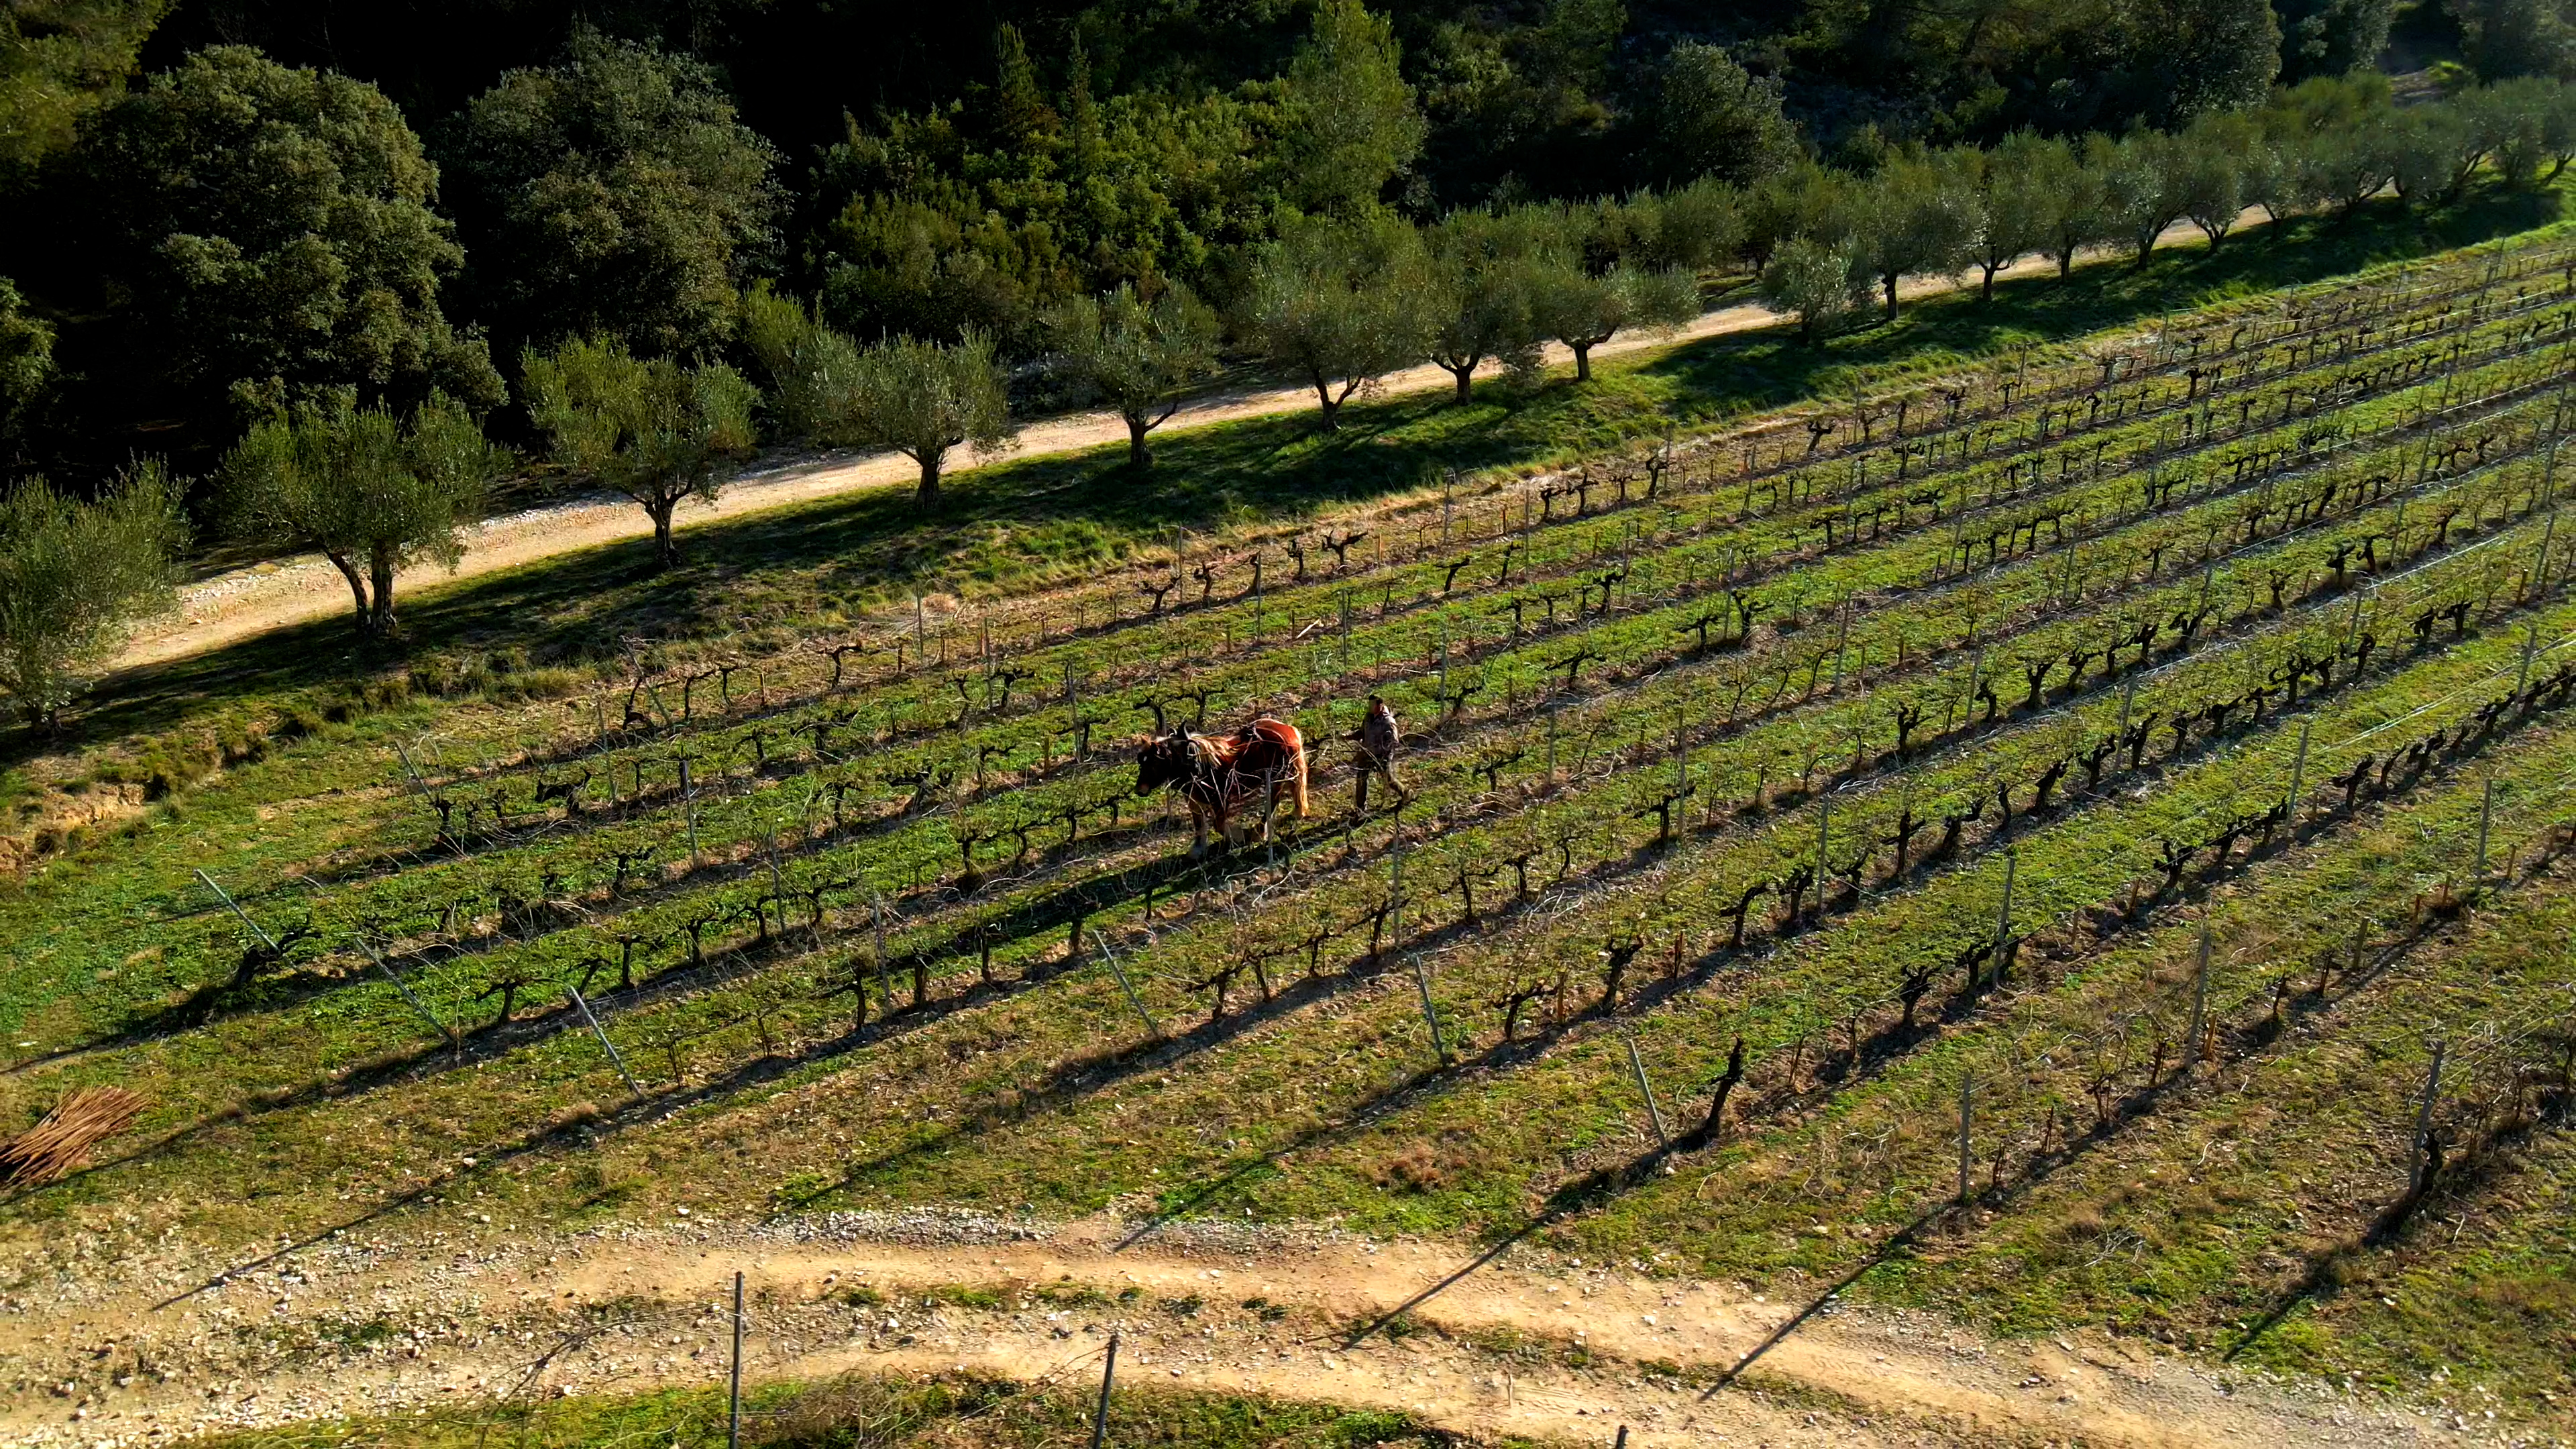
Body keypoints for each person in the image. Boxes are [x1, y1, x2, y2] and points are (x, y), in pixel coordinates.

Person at [1354, 695, 1408, 810]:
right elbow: (1361, 733)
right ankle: (1360, 808)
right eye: (1369, 704)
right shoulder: (1368, 718)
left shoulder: (1388, 721)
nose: (1370, 707)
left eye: (1372, 705)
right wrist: (1347, 737)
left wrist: (1383, 754)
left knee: (1389, 780)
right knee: (1361, 779)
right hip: (1367, 754)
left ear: (1380, 705)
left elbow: (1394, 742)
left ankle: (1406, 794)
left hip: (1381, 757)